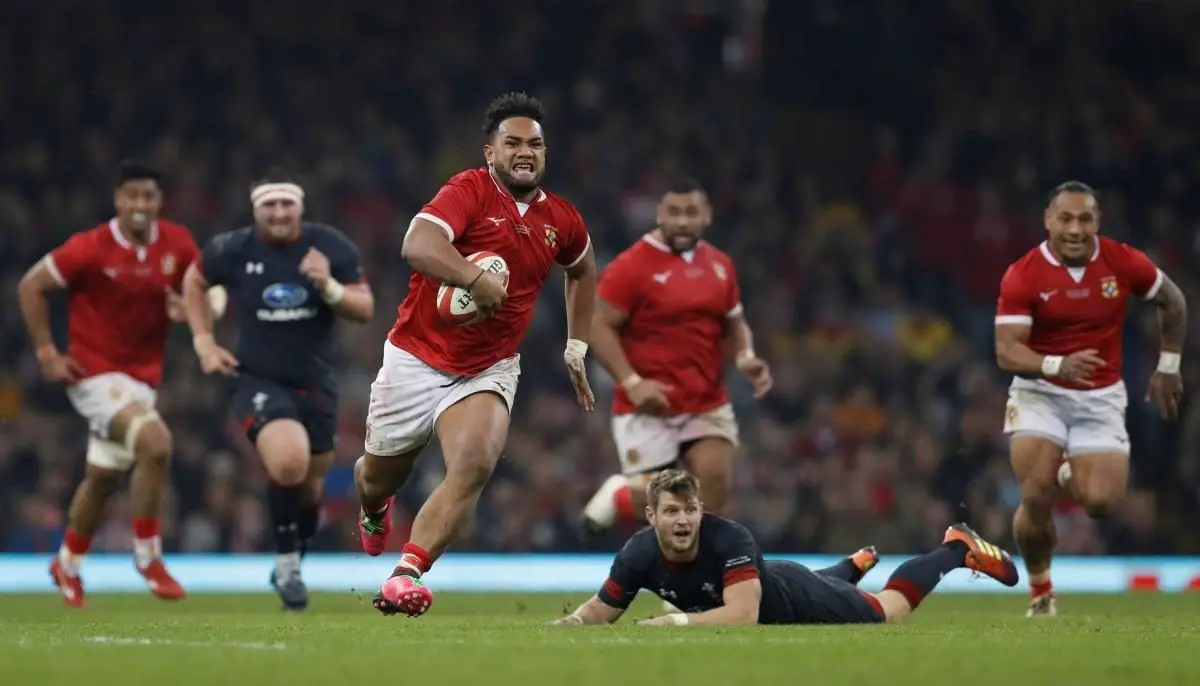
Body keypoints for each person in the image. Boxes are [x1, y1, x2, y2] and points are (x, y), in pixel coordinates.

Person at [354, 92, 597, 618]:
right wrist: (471, 277)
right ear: (491, 152)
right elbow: (416, 244)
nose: (525, 151)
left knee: (475, 463)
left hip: (488, 367)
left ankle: (406, 574)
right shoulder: (467, 190)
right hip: (416, 356)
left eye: (535, 144)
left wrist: (577, 343)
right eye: (513, 143)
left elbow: (581, 267)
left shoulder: (562, 218)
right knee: (378, 477)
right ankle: (373, 507)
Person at [17, 160, 211, 608]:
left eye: (149, 196)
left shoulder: (177, 243)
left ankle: (67, 563)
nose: (140, 204)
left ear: (159, 201)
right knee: (156, 444)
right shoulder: (89, 247)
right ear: (118, 199)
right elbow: (31, 286)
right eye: (132, 195)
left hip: (142, 379)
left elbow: (206, 289)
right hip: (92, 374)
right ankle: (148, 557)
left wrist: (194, 309)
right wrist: (47, 353)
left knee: (102, 478)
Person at [180, 170, 374, 611]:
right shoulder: (233, 249)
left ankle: (293, 560)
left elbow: (364, 308)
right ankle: (287, 565)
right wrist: (204, 342)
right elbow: (194, 281)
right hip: (258, 380)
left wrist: (328, 285)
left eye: (287, 204)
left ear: (300, 208)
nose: (280, 212)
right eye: (270, 205)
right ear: (256, 210)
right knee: (289, 462)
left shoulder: (330, 247)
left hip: (317, 384)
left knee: (310, 487)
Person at [995, 180, 1186, 617]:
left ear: (1098, 221)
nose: (1075, 229)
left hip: (1100, 397)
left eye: (1085, 219)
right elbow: (1006, 351)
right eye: (1065, 218)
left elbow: (1173, 300)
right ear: (1048, 221)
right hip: (1040, 392)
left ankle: (1067, 470)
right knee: (1035, 493)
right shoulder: (1023, 273)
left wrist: (1169, 365)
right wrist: (1055, 365)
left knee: (1101, 503)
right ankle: (1041, 589)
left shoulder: (1122, 261)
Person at [554, 469, 1018, 627]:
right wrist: (569, 624)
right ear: (651, 516)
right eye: (671, 512)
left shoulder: (729, 538)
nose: (682, 521)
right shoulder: (638, 553)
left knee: (888, 612)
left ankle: (954, 549)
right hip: (771, 580)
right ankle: (850, 568)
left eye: (689, 510)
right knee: (809, 582)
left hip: (795, 597)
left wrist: (672, 622)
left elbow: (742, 616)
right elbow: (601, 609)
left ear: (700, 510)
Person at [581, 177, 772, 534]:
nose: (682, 221)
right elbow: (597, 326)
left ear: (707, 215)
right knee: (666, 510)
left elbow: (734, 322)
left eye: (691, 213)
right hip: (648, 406)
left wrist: (746, 356)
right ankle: (622, 496)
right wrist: (632, 382)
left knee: (714, 490)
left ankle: (696, 570)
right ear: (660, 215)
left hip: (705, 401)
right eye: (674, 212)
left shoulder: (720, 265)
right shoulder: (631, 266)